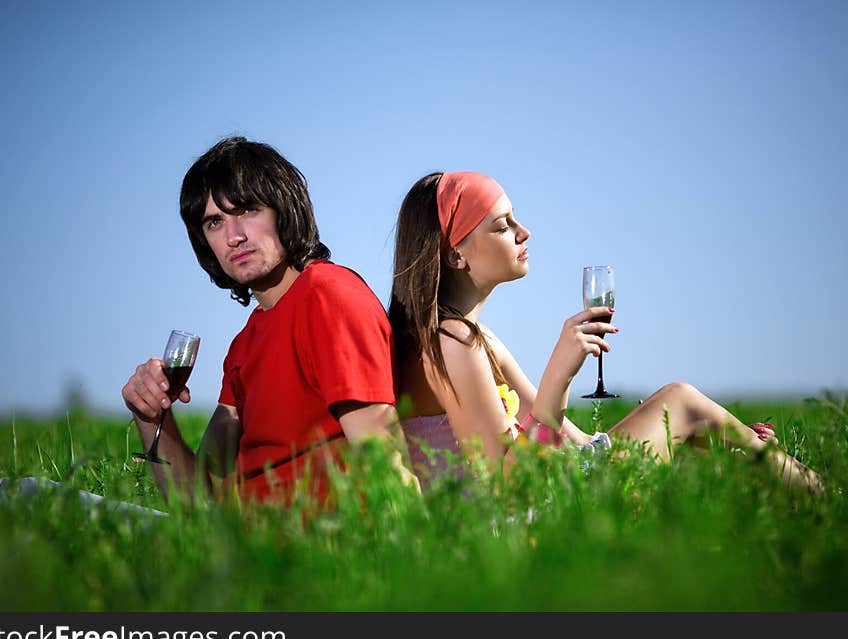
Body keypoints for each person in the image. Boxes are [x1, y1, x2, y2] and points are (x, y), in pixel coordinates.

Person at [388, 171, 822, 494]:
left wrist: (720, 432)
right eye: (503, 226)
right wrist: (559, 377)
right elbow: (507, 486)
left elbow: (568, 440)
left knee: (692, 425)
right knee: (682, 402)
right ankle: (824, 500)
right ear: (456, 256)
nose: (525, 232)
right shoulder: (452, 345)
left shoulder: (470, 339)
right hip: (525, 524)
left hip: (546, 492)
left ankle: (799, 491)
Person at [122, 136, 418, 507]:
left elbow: (385, 464)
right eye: (215, 222)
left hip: (318, 553)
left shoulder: (329, 298)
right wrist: (150, 418)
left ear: (284, 208)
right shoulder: (245, 344)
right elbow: (196, 506)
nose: (234, 236)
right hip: (244, 551)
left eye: (248, 210)